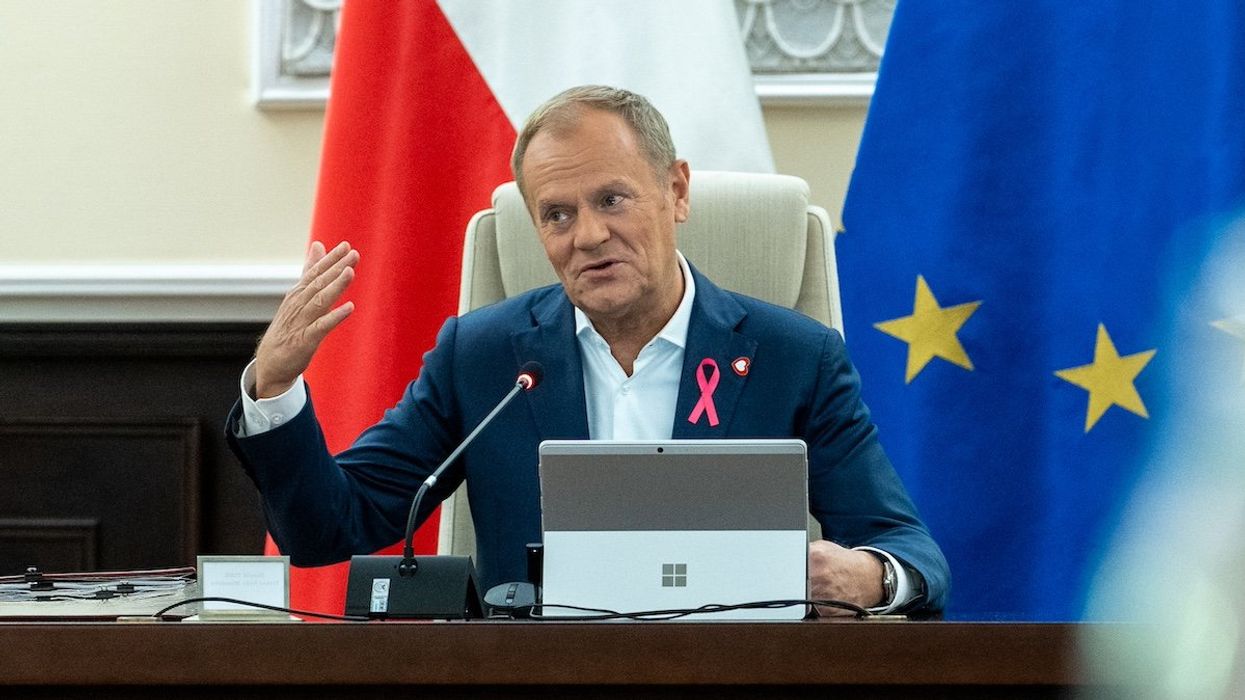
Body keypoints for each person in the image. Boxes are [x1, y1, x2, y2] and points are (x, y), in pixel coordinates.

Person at [227, 85, 949, 615]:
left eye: (611, 200)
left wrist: (870, 578)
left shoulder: (793, 356)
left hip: (730, 679)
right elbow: (330, 526)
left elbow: (909, 550)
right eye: (557, 214)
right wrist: (276, 388)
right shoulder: (484, 357)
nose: (589, 236)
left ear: (676, 192)